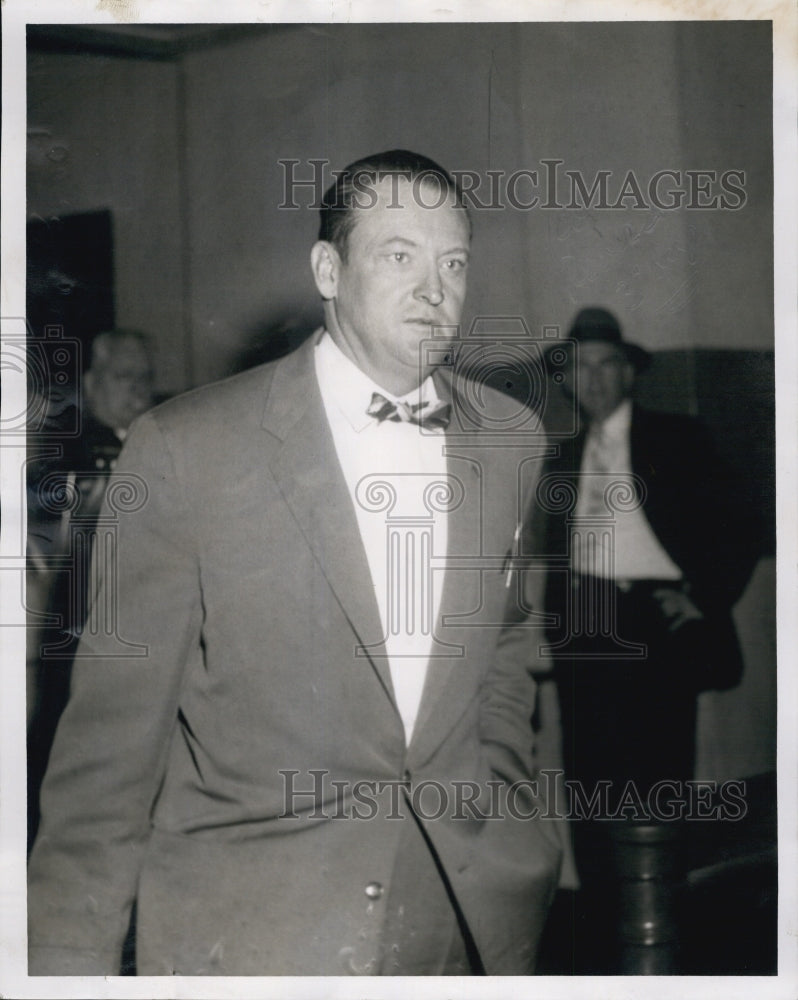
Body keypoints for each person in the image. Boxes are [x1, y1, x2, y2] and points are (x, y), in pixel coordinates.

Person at [28, 150, 561, 977]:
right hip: (252, 935)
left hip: (460, 921)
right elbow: (107, 760)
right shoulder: (187, 447)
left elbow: (507, 654)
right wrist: (64, 964)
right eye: (399, 255)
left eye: (453, 261)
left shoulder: (510, 439)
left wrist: (500, 810)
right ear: (327, 268)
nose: (435, 288)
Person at [532, 306, 760, 972]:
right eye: (580, 368)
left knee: (657, 784)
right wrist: (548, 641)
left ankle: (664, 937)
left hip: (654, 629)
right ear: (569, 381)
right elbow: (558, 555)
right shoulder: (563, 455)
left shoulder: (677, 439)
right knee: (588, 784)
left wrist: (702, 595)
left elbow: (743, 523)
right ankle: (607, 941)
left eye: (606, 365)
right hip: (585, 633)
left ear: (629, 373)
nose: (593, 379)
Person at [26, 329, 156, 847]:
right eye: (126, 377)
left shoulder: (166, 438)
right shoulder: (63, 452)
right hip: (76, 635)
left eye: (147, 377)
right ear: (92, 382)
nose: (140, 390)